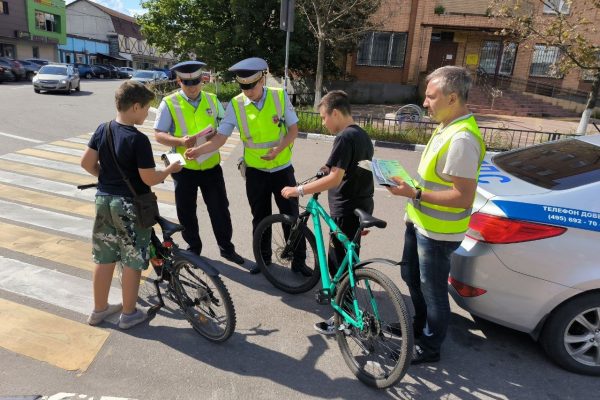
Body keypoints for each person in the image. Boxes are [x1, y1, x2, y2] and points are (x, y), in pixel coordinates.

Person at [387, 66, 486, 364]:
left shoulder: (462, 140)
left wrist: (414, 194)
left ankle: (430, 347)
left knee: (433, 293)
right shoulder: (447, 126)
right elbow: (435, 178)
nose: (425, 103)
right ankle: (417, 327)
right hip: (420, 223)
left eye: (431, 97)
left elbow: (462, 197)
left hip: (438, 234)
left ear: (452, 97)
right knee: (410, 276)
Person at [81, 80, 183, 329]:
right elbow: (149, 178)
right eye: (147, 108)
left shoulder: (102, 129)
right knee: (132, 259)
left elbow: (86, 163)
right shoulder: (138, 140)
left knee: (104, 257)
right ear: (135, 107)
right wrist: (170, 168)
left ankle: (99, 310)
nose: (148, 113)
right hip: (130, 206)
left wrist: (107, 179)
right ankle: (128, 314)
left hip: (104, 200)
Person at [185, 57, 302, 274]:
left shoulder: (279, 96)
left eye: (252, 86)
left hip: (282, 169)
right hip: (256, 172)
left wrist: (279, 148)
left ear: (262, 79)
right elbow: (221, 137)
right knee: (260, 217)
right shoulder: (237, 104)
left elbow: (293, 130)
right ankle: (263, 260)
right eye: (243, 86)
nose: (248, 91)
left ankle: (298, 261)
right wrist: (199, 150)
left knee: (291, 216)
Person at [281, 90, 374, 335]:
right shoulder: (362, 135)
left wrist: (298, 189)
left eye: (324, 117)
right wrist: (329, 166)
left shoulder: (344, 137)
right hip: (362, 205)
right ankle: (350, 309)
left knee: (337, 268)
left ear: (335, 112)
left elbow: (334, 179)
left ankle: (343, 320)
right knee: (348, 263)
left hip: (345, 208)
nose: (323, 123)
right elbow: (347, 166)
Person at [154, 61, 244, 265]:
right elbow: (159, 134)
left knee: (220, 209)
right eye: (187, 82)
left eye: (196, 81)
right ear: (179, 81)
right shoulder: (169, 102)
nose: (193, 86)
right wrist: (179, 141)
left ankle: (226, 248)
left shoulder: (212, 100)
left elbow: (223, 128)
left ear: (203, 80)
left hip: (211, 166)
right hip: (184, 169)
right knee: (186, 211)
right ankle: (194, 248)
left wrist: (214, 134)